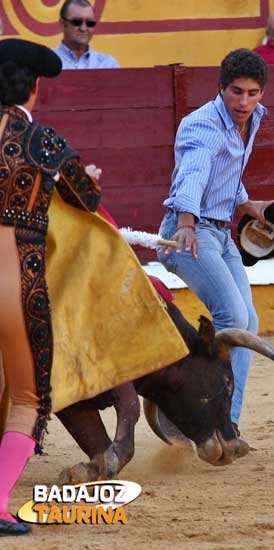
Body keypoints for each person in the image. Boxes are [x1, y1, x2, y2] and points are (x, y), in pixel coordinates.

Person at [0, 38, 101, 536]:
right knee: (26, 398)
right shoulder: (44, 142)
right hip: (17, 279)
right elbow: (88, 196)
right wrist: (84, 176)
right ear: (35, 89)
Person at [157, 49, 274, 440]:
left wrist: (247, 203)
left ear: (262, 93)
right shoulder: (204, 126)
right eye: (236, 92)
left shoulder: (252, 119)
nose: (244, 102)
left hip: (220, 232)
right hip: (188, 233)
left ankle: (229, 424)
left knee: (249, 324)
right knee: (232, 320)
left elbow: (223, 171)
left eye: (253, 93)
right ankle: (184, 407)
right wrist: (187, 223)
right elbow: (193, 173)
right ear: (220, 88)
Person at [54, 0, 120, 69]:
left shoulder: (107, 64)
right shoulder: (45, 63)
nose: (83, 28)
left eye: (90, 23)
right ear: (63, 23)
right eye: (77, 22)